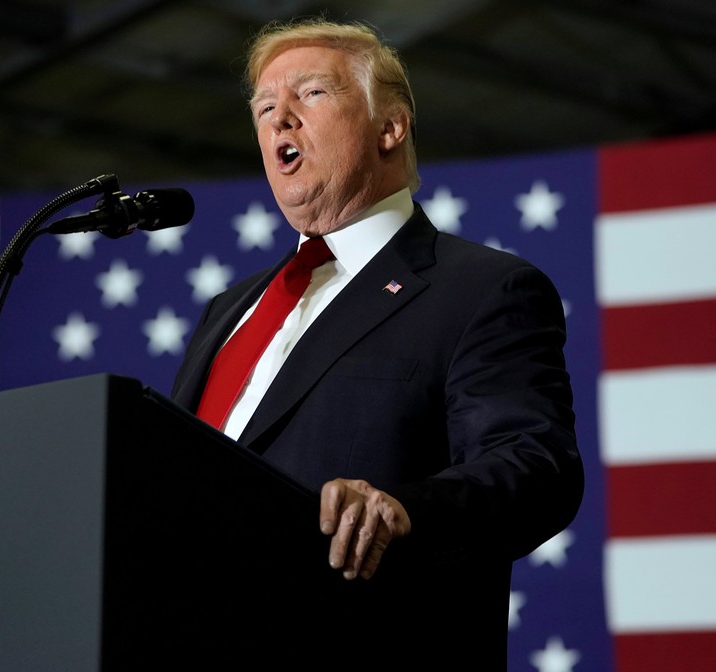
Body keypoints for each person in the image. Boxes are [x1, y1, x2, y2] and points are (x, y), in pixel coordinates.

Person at [171, 17, 583, 668]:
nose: (281, 119)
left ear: (390, 128)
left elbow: (535, 468)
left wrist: (404, 509)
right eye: (264, 107)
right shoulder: (231, 311)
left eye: (310, 94)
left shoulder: (480, 289)